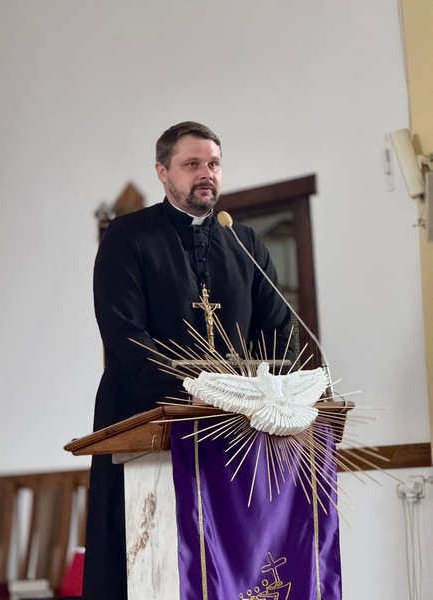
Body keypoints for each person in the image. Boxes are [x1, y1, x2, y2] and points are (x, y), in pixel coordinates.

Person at [82, 122, 295, 600]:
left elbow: (281, 330)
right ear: (163, 172)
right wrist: (193, 390)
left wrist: (271, 391)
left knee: (229, 564)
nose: (206, 174)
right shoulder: (128, 236)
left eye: (214, 164)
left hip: (234, 431)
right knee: (148, 563)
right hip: (147, 417)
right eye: (192, 164)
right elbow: (123, 332)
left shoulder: (245, 243)